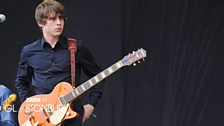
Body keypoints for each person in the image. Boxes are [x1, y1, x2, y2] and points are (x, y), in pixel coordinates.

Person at [15, 0, 104, 125]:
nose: (59, 23)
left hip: (70, 115)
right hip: (41, 118)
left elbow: (98, 76)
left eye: (61, 18)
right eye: (53, 19)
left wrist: (91, 104)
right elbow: (21, 81)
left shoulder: (76, 47)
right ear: (41, 22)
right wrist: (30, 104)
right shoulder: (29, 51)